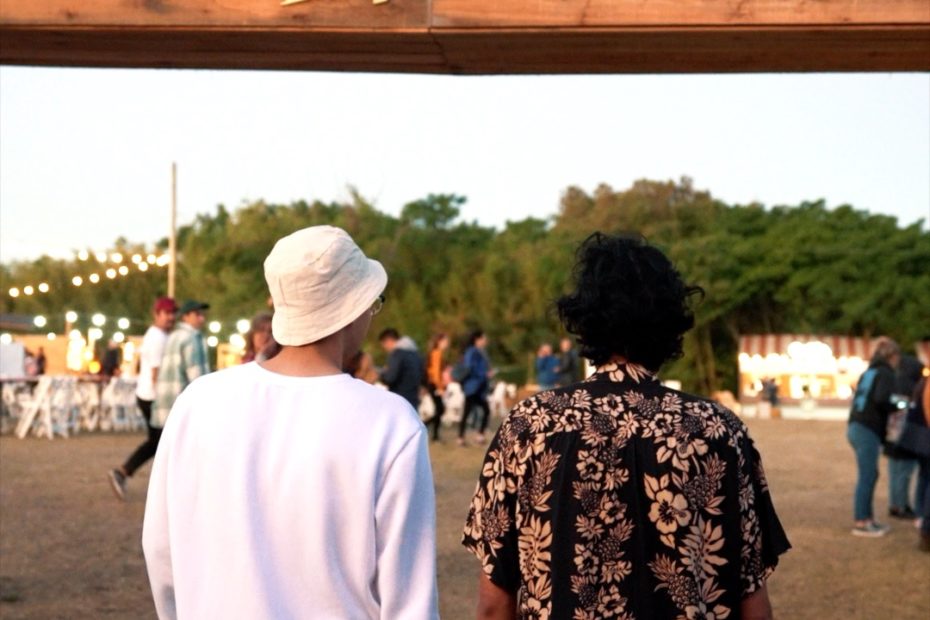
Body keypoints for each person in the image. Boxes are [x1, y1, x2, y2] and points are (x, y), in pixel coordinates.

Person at [462, 232, 790, 620]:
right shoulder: (717, 431)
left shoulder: (529, 425)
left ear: (583, 321)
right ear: (672, 324)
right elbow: (753, 604)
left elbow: (494, 605)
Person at [142, 225, 438, 619]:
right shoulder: (389, 422)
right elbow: (409, 600)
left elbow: (162, 552)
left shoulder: (199, 401)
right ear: (354, 308)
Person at [108, 296, 177, 501]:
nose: (171, 317)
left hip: (150, 396)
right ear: (156, 315)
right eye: (167, 313)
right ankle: (123, 472)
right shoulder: (156, 338)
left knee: (160, 442)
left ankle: (124, 472)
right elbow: (157, 373)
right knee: (160, 441)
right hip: (152, 397)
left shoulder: (161, 336)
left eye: (173, 313)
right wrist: (166, 400)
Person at [847, 337, 901, 537]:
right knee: (868, 475)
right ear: (892, 356)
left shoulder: (868, 372)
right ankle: (862, 521)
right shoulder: (886, 373)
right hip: (867, 428)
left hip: (855, 426)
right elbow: (882, 399)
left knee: (870, 474)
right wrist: (898, 405)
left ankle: (868, 518)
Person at [151, 299, 211, 430]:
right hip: (183, 407)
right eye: (197, 314)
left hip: (167, 403)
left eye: (202, 314)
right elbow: (197, 377)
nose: (202, 319)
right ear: (186, 316)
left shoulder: (174, 336)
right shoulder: (192, 337)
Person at [886, 354, 925, 519]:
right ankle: (902, 506)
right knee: (905, 472)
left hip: (891, 435)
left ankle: (895, 504)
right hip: (907, 436)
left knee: (894, 471)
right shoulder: (914, 388)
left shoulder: (894, 383)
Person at [458, 329, 494, 447]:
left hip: (480, 387)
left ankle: (479, 435)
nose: (485, 340)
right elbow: (470, 368)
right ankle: (461, 437)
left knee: (486, 410)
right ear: (477, 339)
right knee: (467, 411)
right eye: (484, 338)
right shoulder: (472, 352)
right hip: (472, 387)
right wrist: (484, 374)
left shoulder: (482, 352)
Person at [378, 327, 425, 410]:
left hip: (400, 397)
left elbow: (390, 377)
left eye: (384, 345)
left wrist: (381, 374)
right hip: (413, 397)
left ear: (389, 341)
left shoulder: (397, 354)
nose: (385, 349)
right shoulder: (415, 353)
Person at [425, 333, 450, 441]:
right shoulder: (437, 353)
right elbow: (435, 373)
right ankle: (424, 425)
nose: (447, 344)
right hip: (434, 384)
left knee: (439, 409)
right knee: (440, 409)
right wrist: (439, 387)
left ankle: (435, 435)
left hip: (434, 384)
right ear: (440, 342)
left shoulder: (437, 353)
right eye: (445, 341)